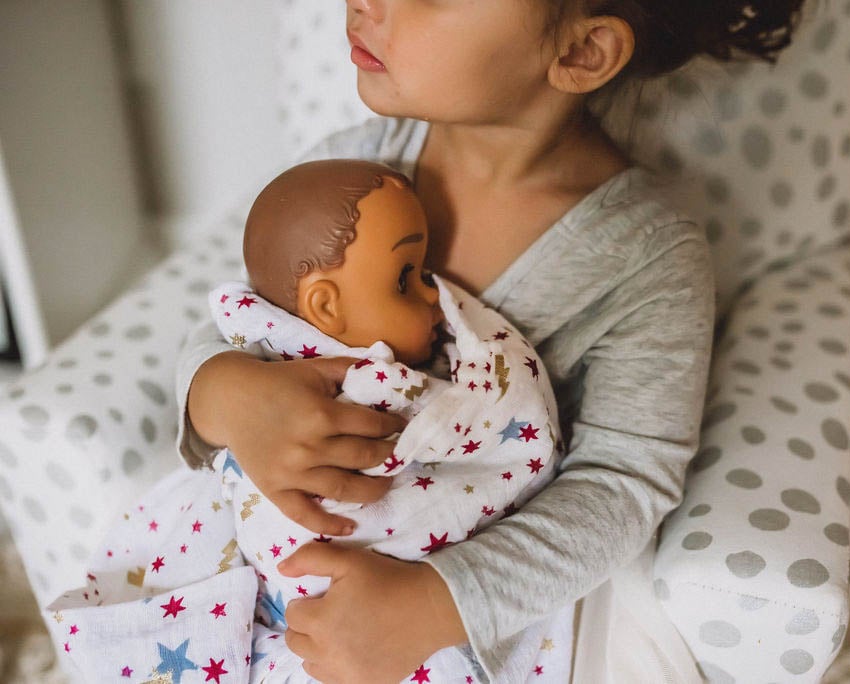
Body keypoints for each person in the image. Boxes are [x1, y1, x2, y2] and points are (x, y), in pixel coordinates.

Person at [179, 1, 807, 682]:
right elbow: (240, 323)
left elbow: (625, 482)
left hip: (465, 599)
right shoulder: (347, 172)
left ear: (581, 51)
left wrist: (434, 602)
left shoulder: (644, 256)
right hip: (282, 574)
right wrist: (225, 393)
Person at [47, 159, 571, 683]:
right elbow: (216, 338)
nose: (437, 293)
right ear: (324, 306)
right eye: (406, 279)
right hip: (286, 590)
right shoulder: (368, 150)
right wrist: (230, 390)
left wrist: (435, 603)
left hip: (391, 611)